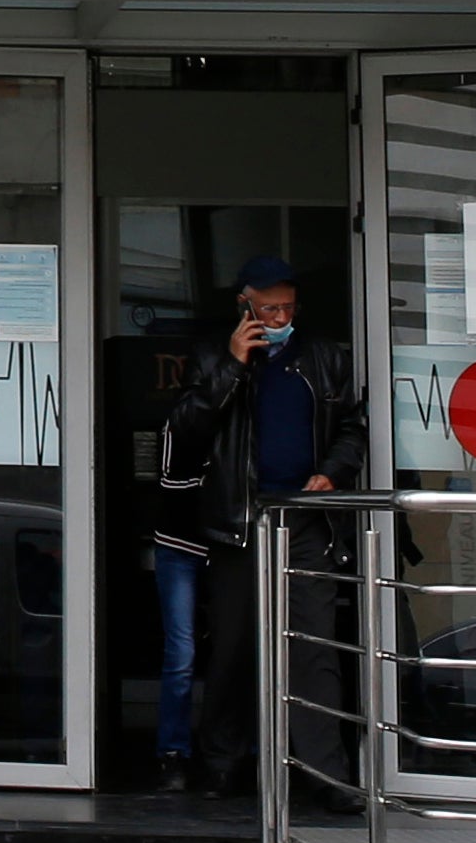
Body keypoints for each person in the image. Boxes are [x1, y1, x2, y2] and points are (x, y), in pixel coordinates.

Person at [156, 257, 367, 796]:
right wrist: (232, 365)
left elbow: (351, 427)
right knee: (231, 648)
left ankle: (327, 775)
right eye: (268, 307)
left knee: (313, 651)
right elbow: (184, 433)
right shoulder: (211, 356)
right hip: (239, 522)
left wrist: (333, 472)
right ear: (243, 305)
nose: (279, 317)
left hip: (305, 519)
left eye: (287, 307)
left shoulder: (323, 358)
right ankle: (221, 766)